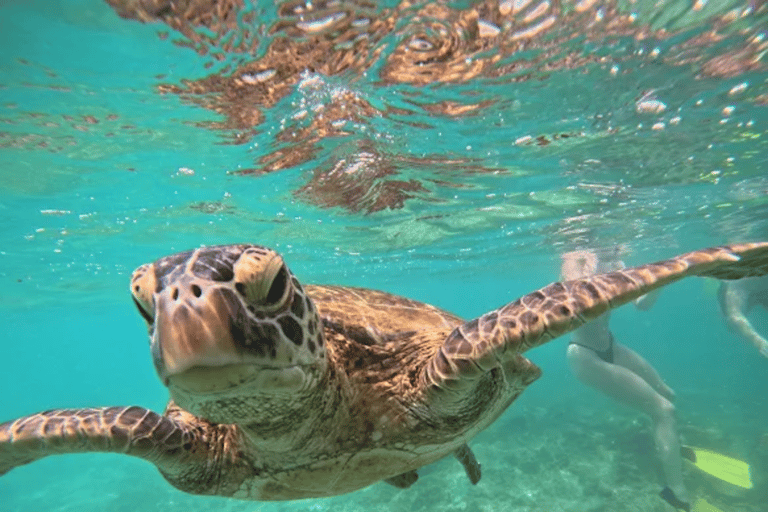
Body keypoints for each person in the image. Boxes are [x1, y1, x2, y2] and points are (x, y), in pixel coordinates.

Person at [561, 249, 689, 511]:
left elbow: (642, 304)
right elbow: (582, 306)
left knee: (668, 394)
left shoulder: (612, 264)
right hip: (586, 357)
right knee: (664, 410)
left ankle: (673, 447)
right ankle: (676, 492)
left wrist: (661, 279)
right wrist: (615, 280)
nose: (616, 257)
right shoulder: (575, 265)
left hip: (612, 345)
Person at [717, 276, 768, 359]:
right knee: (728, 320)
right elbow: (733, 316)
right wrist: (760, 344)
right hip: (742, 289)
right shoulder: (738, 280)